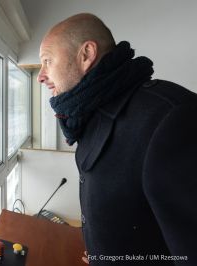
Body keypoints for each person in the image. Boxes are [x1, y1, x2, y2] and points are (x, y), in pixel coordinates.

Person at [37, 13, 197, 265]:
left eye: (47, 61)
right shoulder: (87, 119)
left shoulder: (170, 117)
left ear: (86, 54)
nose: (40, 76)